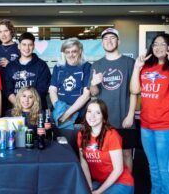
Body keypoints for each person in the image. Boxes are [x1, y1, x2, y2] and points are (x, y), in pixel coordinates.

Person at [130, 33, 169, 194]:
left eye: (163, 44)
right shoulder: (146, 67)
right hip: (147, 125)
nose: (158, 47)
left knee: (165, 168)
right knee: (153, 167)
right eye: (155, 44)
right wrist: (136, 67)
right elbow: (134, 90)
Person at [89, 28, 137, 172]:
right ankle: (110, 184)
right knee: (106, 154)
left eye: (112, 38)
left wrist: (130, 116)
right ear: (102, 43)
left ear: (118, 41)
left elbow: (134, 92)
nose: (109, 41)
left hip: (124, 118)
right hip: (104, 119)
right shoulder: (97, 65)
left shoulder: (129, 63)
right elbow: (94, 93)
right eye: (105, 39)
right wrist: (94, 83)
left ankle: (127, 184)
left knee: (126, 153)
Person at [78, 99, 134, 194]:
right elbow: (84, 163)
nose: (92, 116)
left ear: (104, 117)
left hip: (120, 182)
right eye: (89, 111)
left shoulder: (112, 135)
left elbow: (118, 169)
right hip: (100, 181)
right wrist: (90, 187)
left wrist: (98, 191)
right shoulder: (82, 134)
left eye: (98, 113)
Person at [49, 37, 91, 154]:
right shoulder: (58, 67)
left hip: (79, 118)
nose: (71, 55)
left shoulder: (86, 67)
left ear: (80, 51)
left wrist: (67, 114)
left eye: (74, 51)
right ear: (64, 53)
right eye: (67, 52)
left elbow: (86, 95)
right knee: (59, 149)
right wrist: (59, 110)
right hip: (59, 115)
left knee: (78, 150)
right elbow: (52, 89)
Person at [5, 32, 51, 110]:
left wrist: (28, 106)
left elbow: (43, 90)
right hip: (16, 110)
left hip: (37, 110)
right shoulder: (10, 66)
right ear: (19, 46)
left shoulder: (42, 65)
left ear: (33, 46)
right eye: (24, 44)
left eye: (30, 45)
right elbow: (8, 91)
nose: (27, 48)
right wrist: (21, 107)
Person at [0, 19, 20, 113]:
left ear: (11, 31)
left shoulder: (20, 49)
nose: (3, 35)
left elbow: (26, 70)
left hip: (15, 93)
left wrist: (11, 65)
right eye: (0, 32)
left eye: (6, 31)